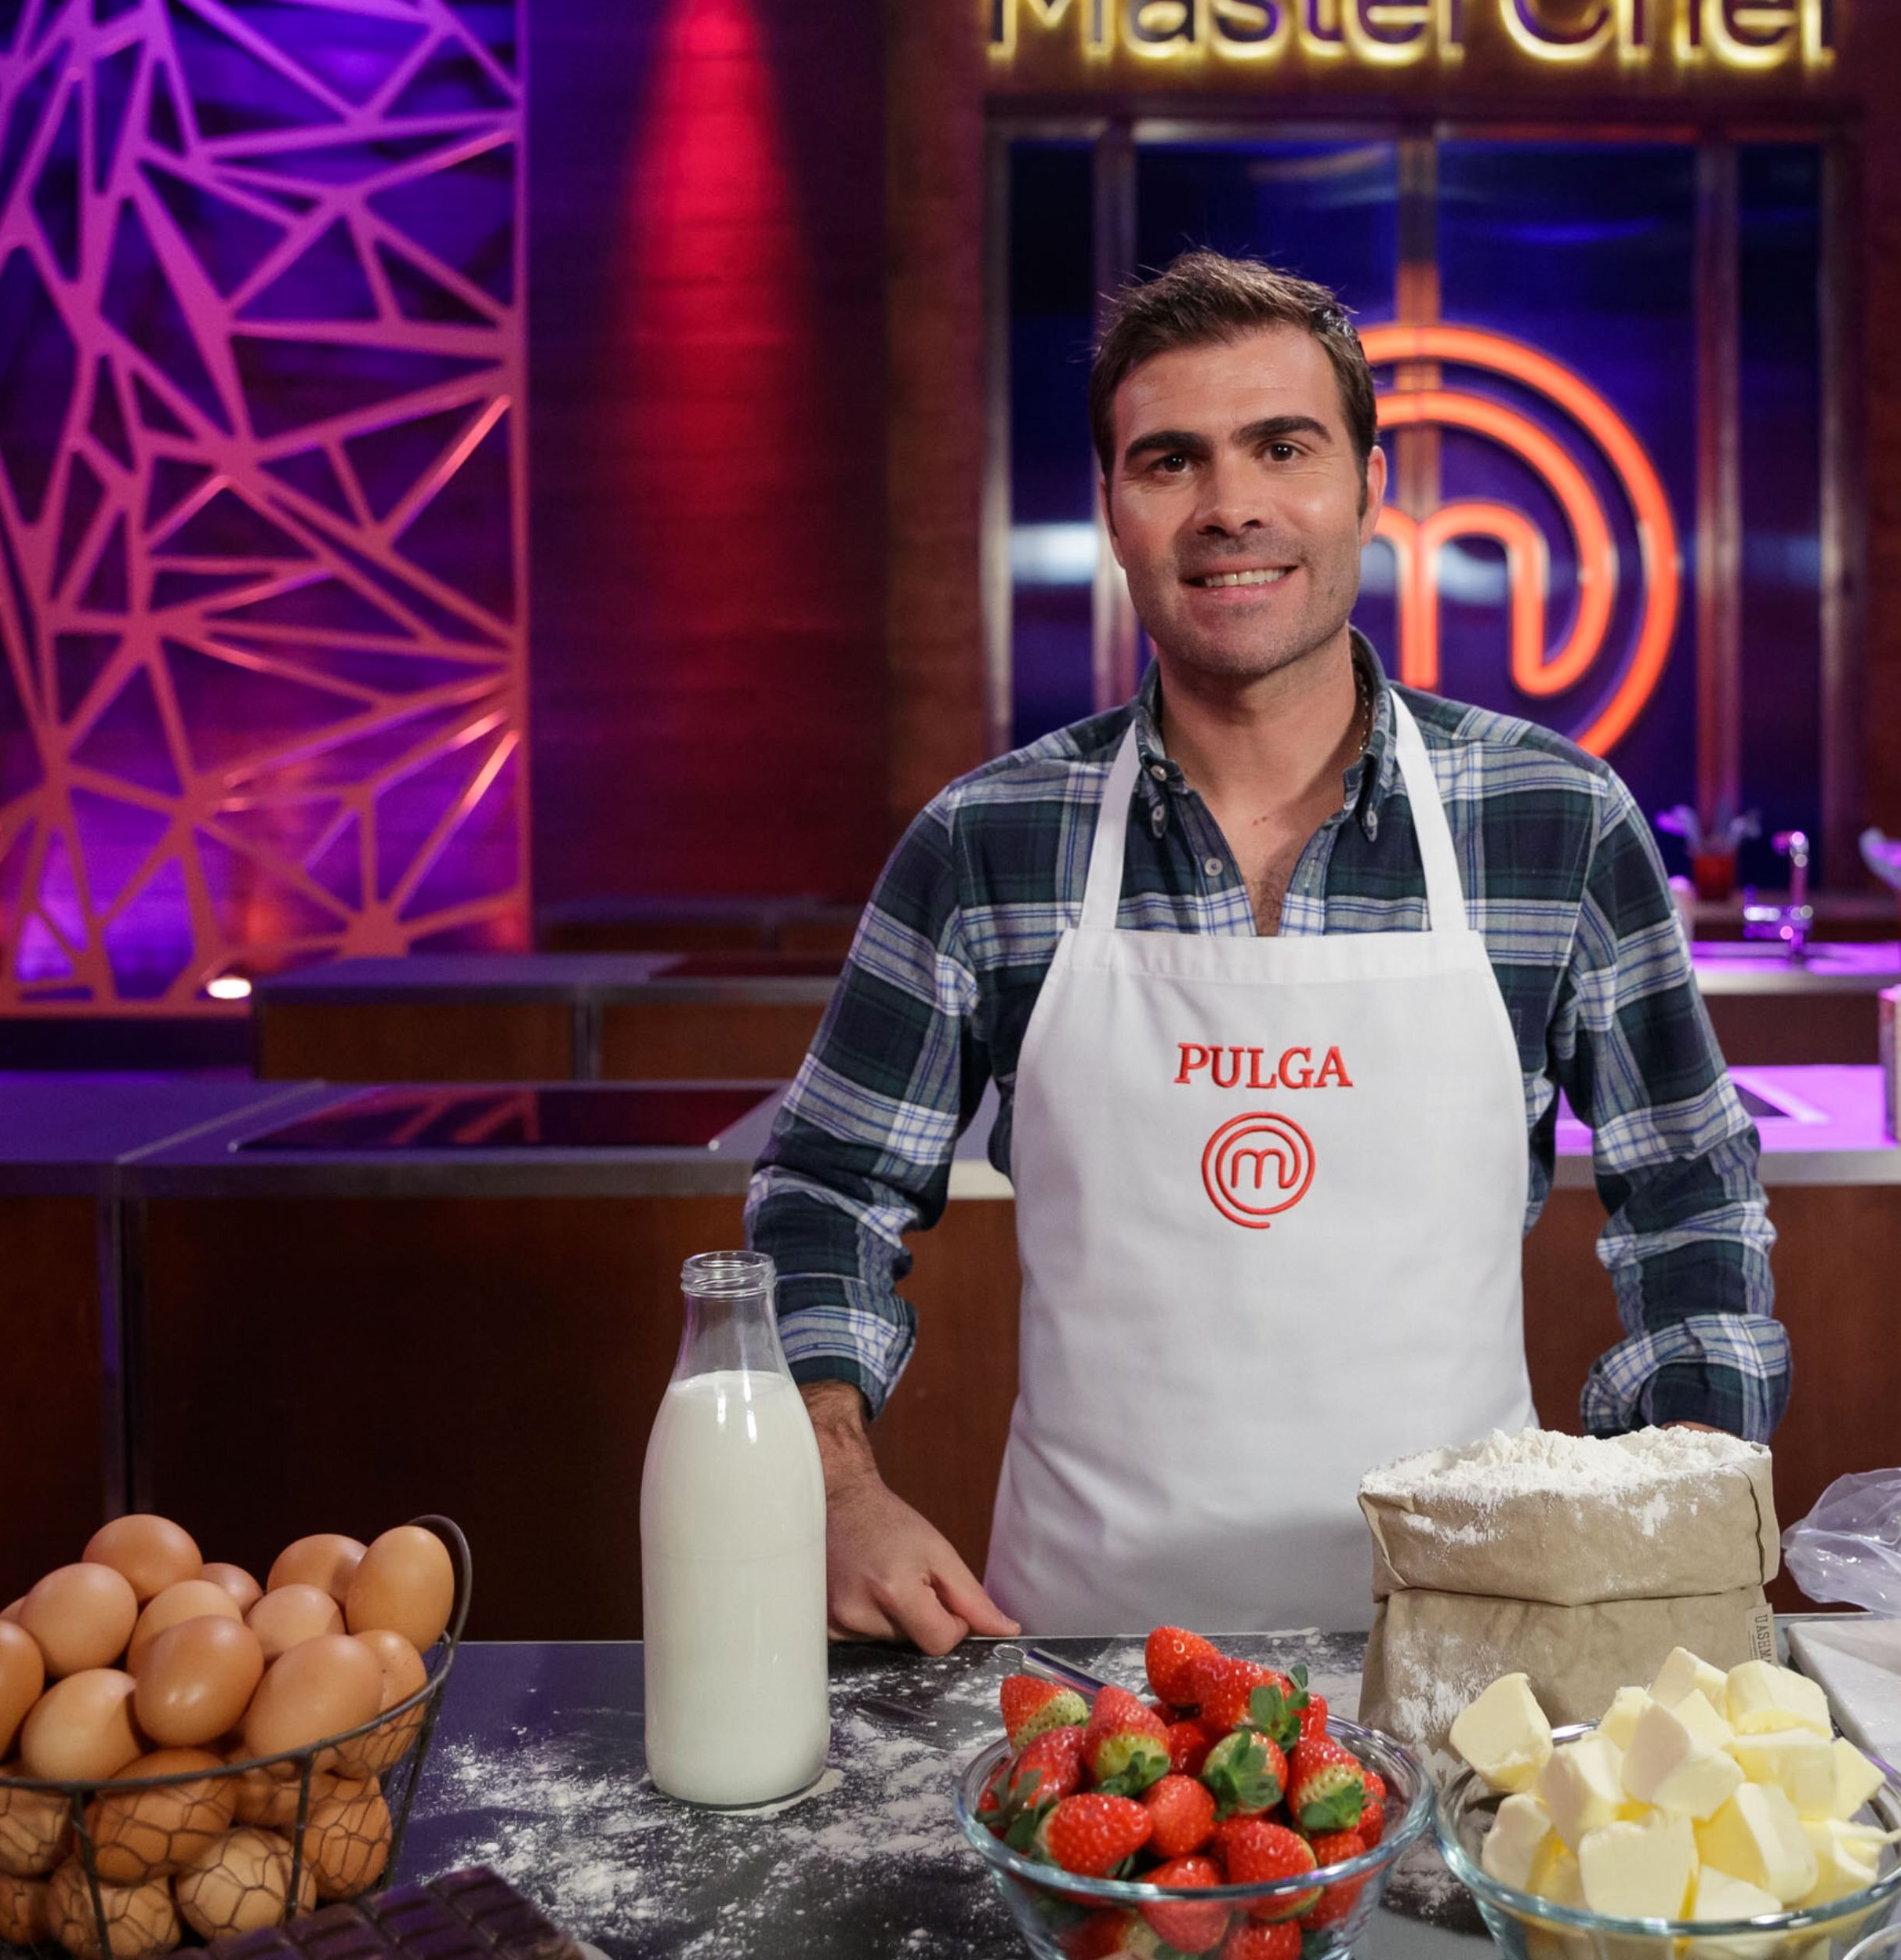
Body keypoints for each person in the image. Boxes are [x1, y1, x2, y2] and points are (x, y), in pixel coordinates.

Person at [747, 251, 1782, 1649]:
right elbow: (826, 1189)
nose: (1229, 504)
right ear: (1113, 512)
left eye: (1282, 448)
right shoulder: (987, 842)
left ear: (1367, 487)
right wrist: (829, 1488)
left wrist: (1681, 1495)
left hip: (1476, 1650)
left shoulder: (1554, 819)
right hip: (1087, 1666)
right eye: (1170, 460)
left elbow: (1692, 1198)